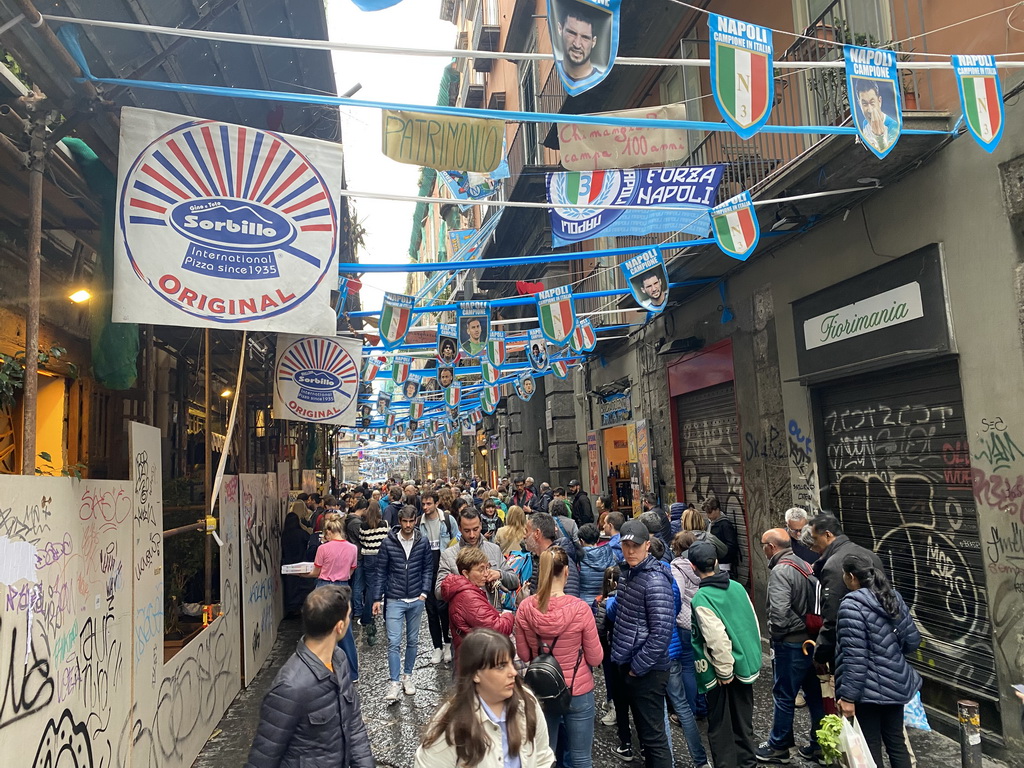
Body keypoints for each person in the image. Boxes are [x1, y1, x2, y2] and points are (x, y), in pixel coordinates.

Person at [246, 586, 373, 768]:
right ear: (339, 627)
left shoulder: (340, 659)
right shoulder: (289, 688)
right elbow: (262, 759)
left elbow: (353, 722)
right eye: (348, 616)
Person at [515, 547, 603, 768]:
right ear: (566, 572)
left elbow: (525, 655)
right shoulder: (581, 609)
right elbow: (595, 658)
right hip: (578, 689)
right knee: (581, 757)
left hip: (541, 692)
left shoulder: (525, 608)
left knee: (545, 755)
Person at [414, 629, 554, 768]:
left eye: (511, 663)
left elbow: (542, 757)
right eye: (501, 666)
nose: (513, 672)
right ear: (476, 674)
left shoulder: (527, 702)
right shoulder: (452, 723)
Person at [835, 553, 922, 768]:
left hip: (867, 693)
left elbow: (855, 659)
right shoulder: (893, 597)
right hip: (896, 684)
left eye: (844, 575)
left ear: (851, 576)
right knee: (896, 742)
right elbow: (912, 641)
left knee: (869, 747)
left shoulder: (851, 606)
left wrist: (847, 697)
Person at [689, 541, 762, 768]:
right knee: (743, 722)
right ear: (717, 562)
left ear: (692, 567)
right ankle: (748, 763)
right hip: (746, 665)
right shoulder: (738, 587)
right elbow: (753, 623)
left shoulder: (702, 598)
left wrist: (723, 669)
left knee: (721, 727)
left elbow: (716, 637)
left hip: (723, 673)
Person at [608, 520, 675, 767]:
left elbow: (661, 632)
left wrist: (637, 667)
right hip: (630, 664)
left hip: (648, 671)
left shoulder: (654, 581)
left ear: (647, 545)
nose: (631, 551)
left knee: (654, 739)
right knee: (647, 736)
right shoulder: (629, 573)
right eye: (626, 545)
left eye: (636, 546)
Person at [756, 528, 826, 765]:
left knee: (784, 695)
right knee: (815, 695)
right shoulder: (804, 564)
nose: (763, 549)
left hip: (791, 644)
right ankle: (820, 745)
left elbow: (780, 614)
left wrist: (778, 637)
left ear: (772, 547)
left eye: (764, 544)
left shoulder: (781, 571)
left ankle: (779, 746)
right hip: (811, 643)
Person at [370, 505, 433, 704]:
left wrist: (424, 592)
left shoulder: (422, 542)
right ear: (400, 521)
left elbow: (427, 568)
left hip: (416, 598)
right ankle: (395, 681)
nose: (407, 525)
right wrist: (377, 598)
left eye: (410, 521)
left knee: (413, 640)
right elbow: (381, 571)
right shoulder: (388, 543)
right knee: (393, 642)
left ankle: (408, 676)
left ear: (415, 521)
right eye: (404, 521)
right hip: (395, 598)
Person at [806, 515, 884, 671]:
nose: (813, 546)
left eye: (815, 539)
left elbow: (833, 618)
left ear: (828, 534)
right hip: (881, 644)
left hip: (853, 651)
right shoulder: (870, 555)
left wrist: (821, 654)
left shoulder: (834, 565)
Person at [667, 532, 709, 768]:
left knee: (686, 669)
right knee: (700, 663)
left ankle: (691, 709)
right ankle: (702, 705)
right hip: (701, 619)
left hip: (684, 622)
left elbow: (677, 595)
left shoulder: (678, 568)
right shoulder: (701, 565)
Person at [303, 517, 360, 681]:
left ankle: (321, 671)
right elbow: (350, 572)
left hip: (324, 586)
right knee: (346, 632)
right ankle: (353, 672)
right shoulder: (353, 548)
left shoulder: (323, 549)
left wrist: (301, 574)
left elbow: (316, 571)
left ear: (328, 531)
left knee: (320, 631)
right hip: (343, 587)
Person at [441, 547, 515, 662]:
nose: (486, 574)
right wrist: (508, 615)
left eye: (487, 568)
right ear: (465, 573)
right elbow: (497, 629)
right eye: (481, 570)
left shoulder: (466, 592)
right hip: (476, 660)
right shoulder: (469, 597)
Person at [436, 508, 520, 603]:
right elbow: (439, 592)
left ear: (480, 526)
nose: (472, 535)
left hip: (493, 612)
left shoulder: (494, 549)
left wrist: (500, 574)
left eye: (475, 529)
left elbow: (515, 582)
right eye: (467, 531)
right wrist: (466, 581)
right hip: (464, 613)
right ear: (459, 529)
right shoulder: (448, 555)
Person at [420, 490, 457, 665]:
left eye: (429, 503)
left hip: (445, 569)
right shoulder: (419, 524)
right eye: (424, 504)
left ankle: (448, 643)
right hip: (427, 570)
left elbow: (456, 542)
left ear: (436, 503)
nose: (426, 507)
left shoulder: (448, 521)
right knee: (431, 610)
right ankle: (437, 646)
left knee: (444, 609)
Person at [524, 512, 580, 596]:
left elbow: (570, 600)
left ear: (537, 533)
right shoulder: (537, 559)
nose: (524, 536)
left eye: (526, 531)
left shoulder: (561, 561)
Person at [556, 3, 602, 83]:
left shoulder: (600, 78)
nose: (577, 44)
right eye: (572, 33)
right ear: (560, 29)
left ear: (593, 42)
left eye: (585, 37)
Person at [281, 511, 313, 618]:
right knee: (301, 587)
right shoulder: (302, 533)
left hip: (288, 563)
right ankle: (300, 607)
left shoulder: (285, 534)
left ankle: (291, 608)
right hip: (301, 563)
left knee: (290, 587)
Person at [855, 79, 900, 154]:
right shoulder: (865, 123)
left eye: (872, 103)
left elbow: (889, 154)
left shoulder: (893, 126)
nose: (870, 110)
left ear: (879, 101)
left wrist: (880, 138)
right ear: (859, 105)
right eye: (865, 104)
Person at [578, 523, 615, 603]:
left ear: (581, 541)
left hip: (584, 602)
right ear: (598, 539)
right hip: (603, 602)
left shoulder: (577, 558)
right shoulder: (609, 554)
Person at [703, 497, 740, 574]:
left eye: (710, 512)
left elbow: (732, 545)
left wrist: (721, 556)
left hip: (723, 565)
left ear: (717, 510)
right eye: (706, 513)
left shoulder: (725, 525)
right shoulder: (709, 523)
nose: (708, 515)